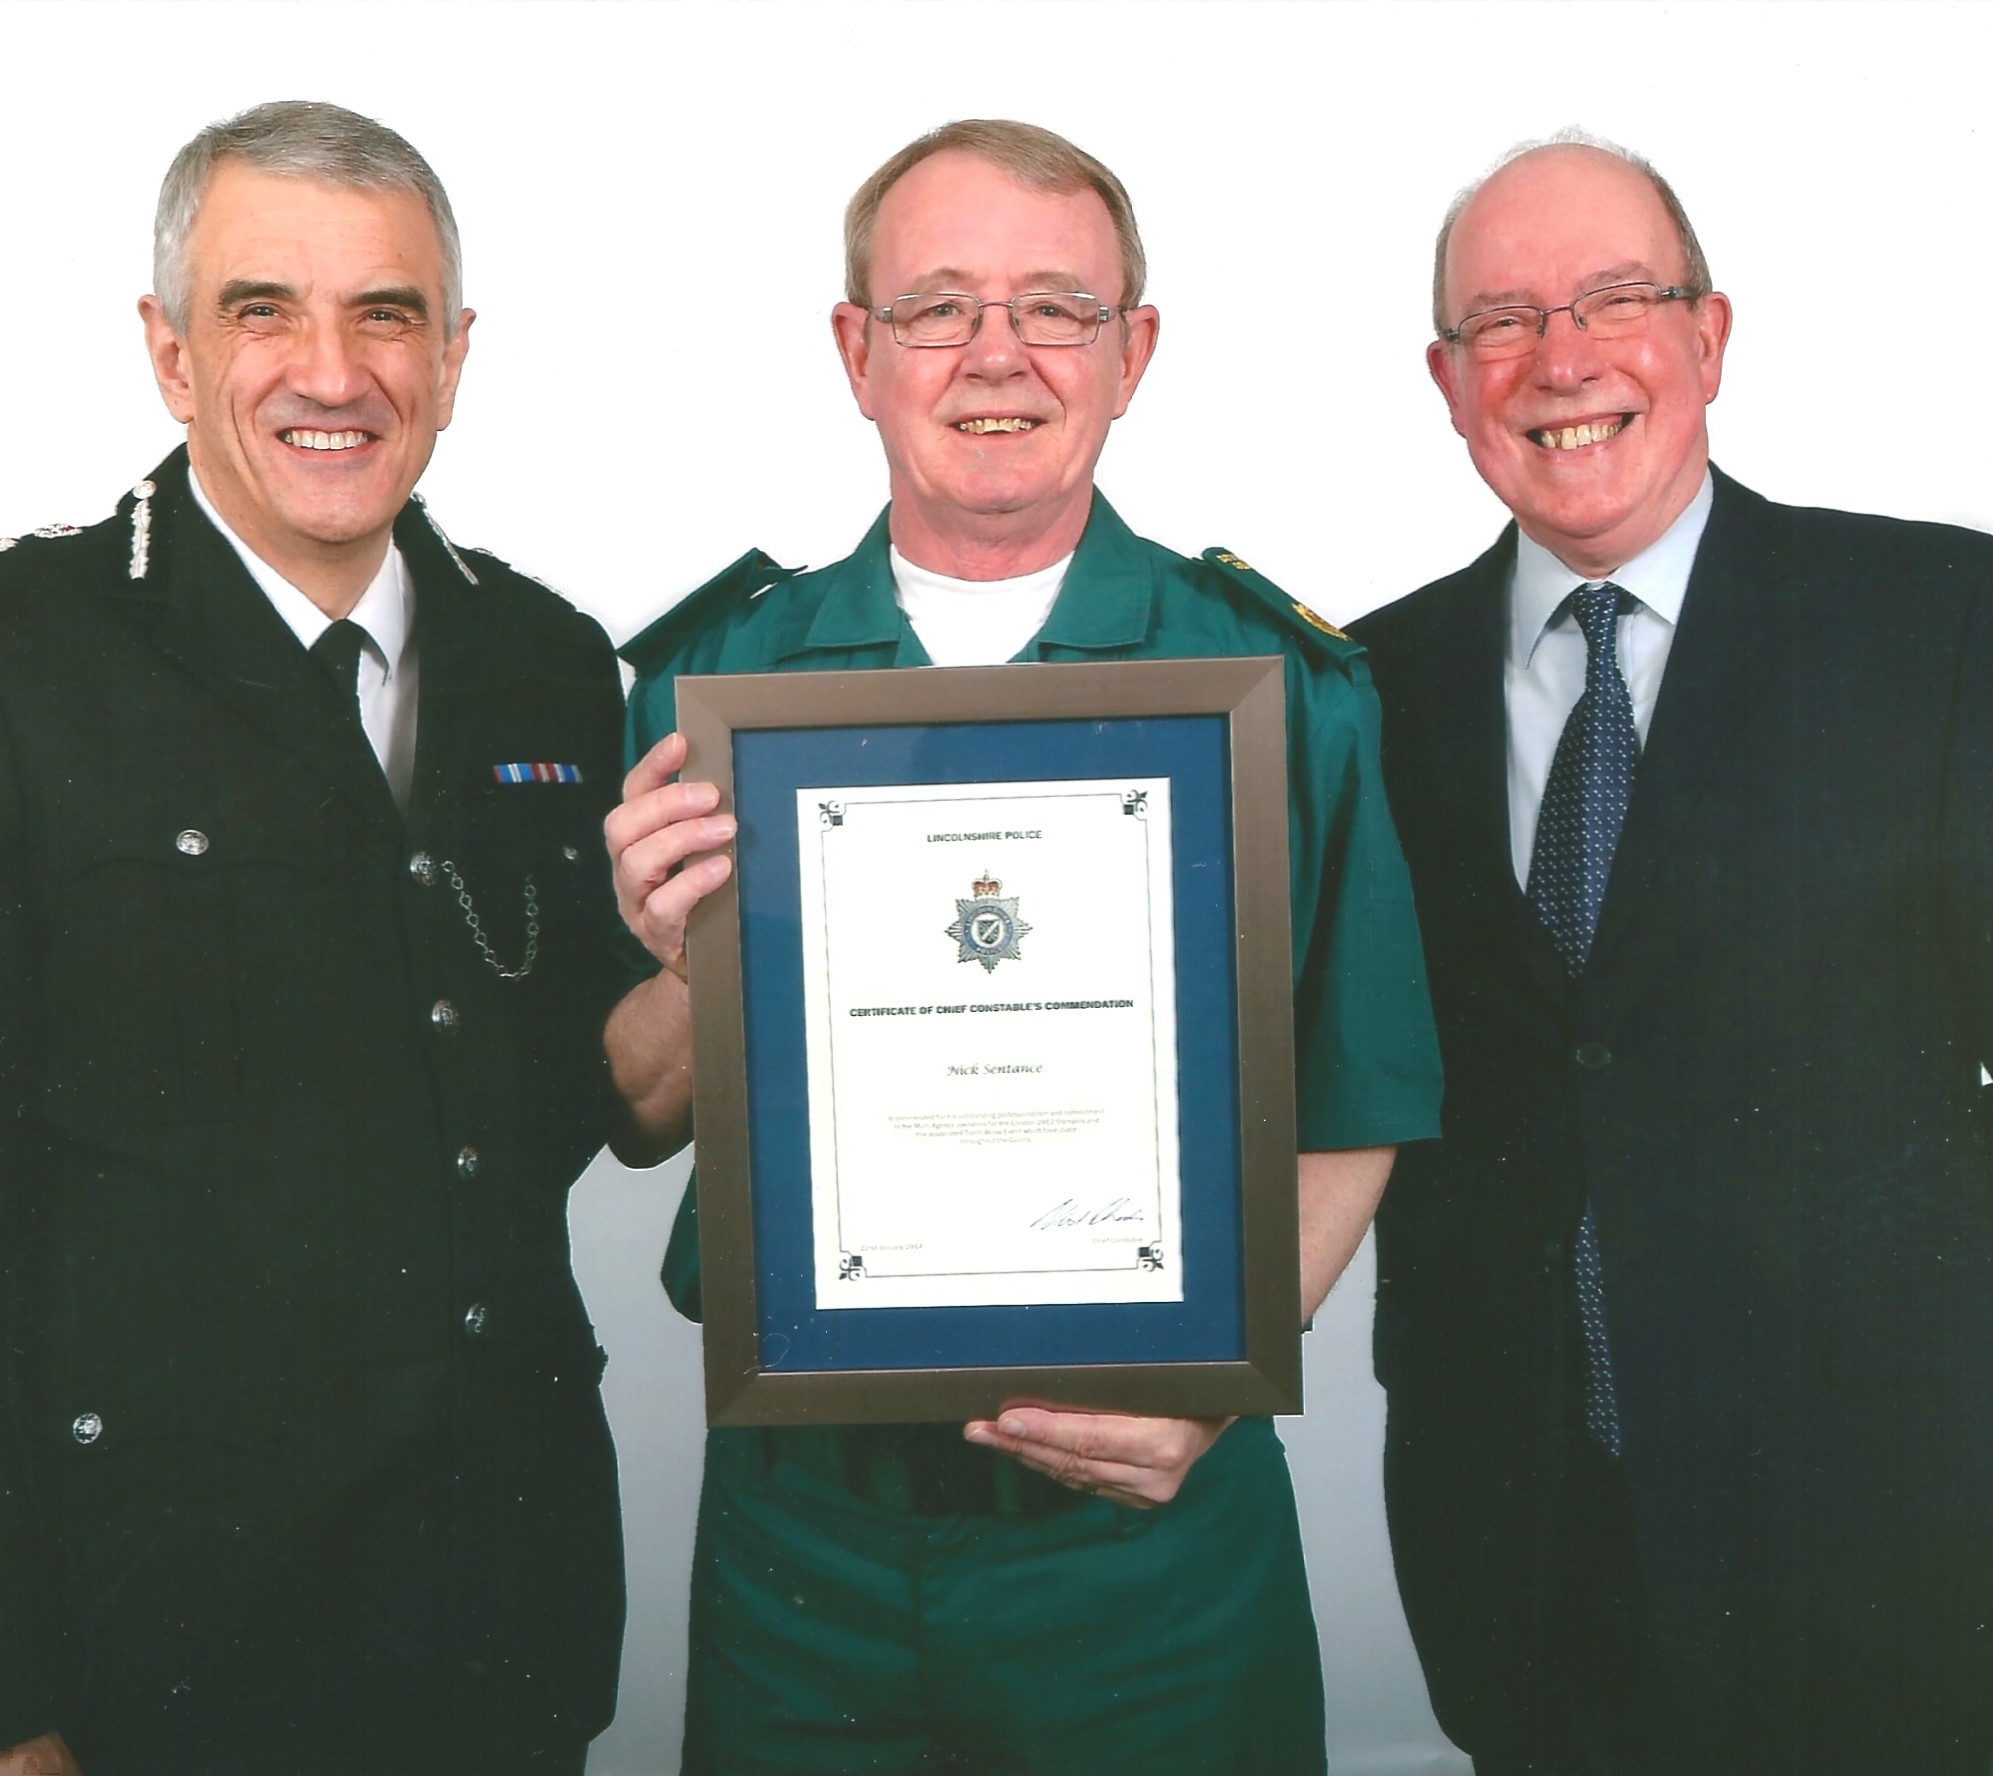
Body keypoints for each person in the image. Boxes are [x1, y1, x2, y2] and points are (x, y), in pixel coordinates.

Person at [0, 101, 631, 1776]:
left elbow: (571, 1098)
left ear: (455, 356)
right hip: (143, 1643)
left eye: (385, 313)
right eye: (263, 311)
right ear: (171, 355)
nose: (334, 372)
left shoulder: (546, 660)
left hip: (494, 1628)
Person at [603, 120, 1441, 1775]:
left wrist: (1209, 1385)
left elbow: (1361, 1094)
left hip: (1145, 1547)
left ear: (1135, 352)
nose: (998, 354)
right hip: (807, 1544)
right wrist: (696, 966)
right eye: (937, 308)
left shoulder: (1282, 689)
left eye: (1058, 307)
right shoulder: (711, 692)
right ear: (857, 351)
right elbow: (638, 1115)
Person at [1348, 134, 1993, 1776]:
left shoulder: (1937, 619)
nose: (1562, 359)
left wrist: (1891, 1339)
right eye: (1502, 320)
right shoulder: (1366, 685)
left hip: (1871, 1541)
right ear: (1446, 382)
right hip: (1527, 1565)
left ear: (1707, 338)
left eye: (1615, 299)